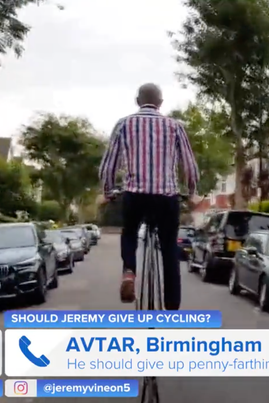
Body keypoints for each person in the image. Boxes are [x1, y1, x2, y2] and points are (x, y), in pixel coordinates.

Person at [98, 83, 201, 310]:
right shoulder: (175, 126)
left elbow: (108, 165)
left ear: (137, 101)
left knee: (130, 234)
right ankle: (172, 307)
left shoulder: (124, 124)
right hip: (167, 197)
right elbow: (190, 166)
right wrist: (192, 192)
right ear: (161, 103)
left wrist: (107, 192)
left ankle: (128, 273)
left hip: (135, 195)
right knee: (169, 250)